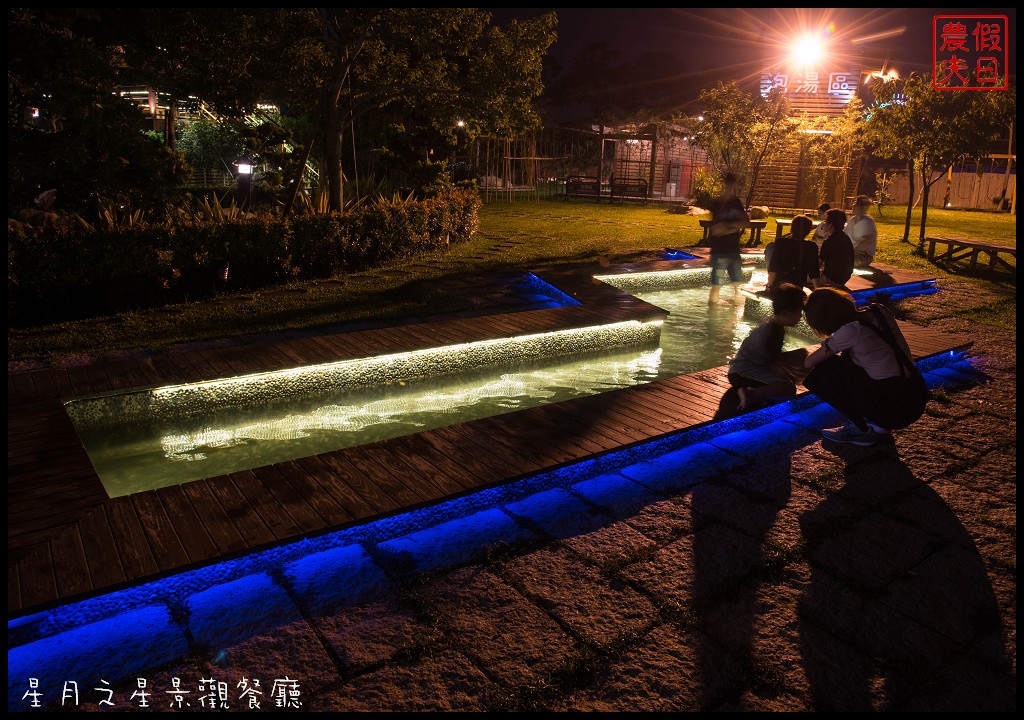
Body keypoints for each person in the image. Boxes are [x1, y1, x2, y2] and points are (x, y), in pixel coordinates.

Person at [802, 287, 929, 446]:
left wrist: (829, 343)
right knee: (854, 357)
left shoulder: (850, 331)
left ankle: (860, 429)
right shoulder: (878, 310)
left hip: (893, 408)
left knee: (825, 369)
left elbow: (808, 362)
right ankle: (880, 428)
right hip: (914, 394)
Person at [730, 283, 806, 411]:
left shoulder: (774, 325)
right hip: (741, 373)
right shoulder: (769, 331)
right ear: (786, 313)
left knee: (797, 362)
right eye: (799, 312)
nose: (800, 317)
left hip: (745, 370)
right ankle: (750, 394)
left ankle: (756, 394)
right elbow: (762, 355)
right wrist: (779, 367)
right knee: (789, 389)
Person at [707, 172, 748, 306]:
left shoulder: (736, 202)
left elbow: (745, 222)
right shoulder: (718, 203)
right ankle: (713, 311)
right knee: (717, 284)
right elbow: (716, 230)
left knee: (738, 284)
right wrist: (733, 226)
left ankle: (737, 308)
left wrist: (728, 226)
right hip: (720, 251)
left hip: (733, 250)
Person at [765, 214, 820, 292]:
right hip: (797, 288)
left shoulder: (781, 242)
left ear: (791, 228)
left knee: (770, 246)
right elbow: (814, 272)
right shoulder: (812, 247)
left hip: (779, 286)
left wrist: (768, 286)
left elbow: (774, 266)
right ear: (808, 231)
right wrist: (818, 291)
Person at [817, 208, 854, 290]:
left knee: (805, 274)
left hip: (830, 279)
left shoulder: (829, 241)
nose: (823, 224)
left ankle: (817, 290)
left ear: (831, 224)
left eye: (825, 221)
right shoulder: (846, 238)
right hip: (843, 278)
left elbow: (818, 264)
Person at [846, 194, 877, 268]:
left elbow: (862, 242)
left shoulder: (868, 222)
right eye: (853, 204)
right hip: (850, 253)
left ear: (863, 207)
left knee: (844, 263)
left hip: (863, 256)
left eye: (856, 205)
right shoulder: (851, 220)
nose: (853, 206)